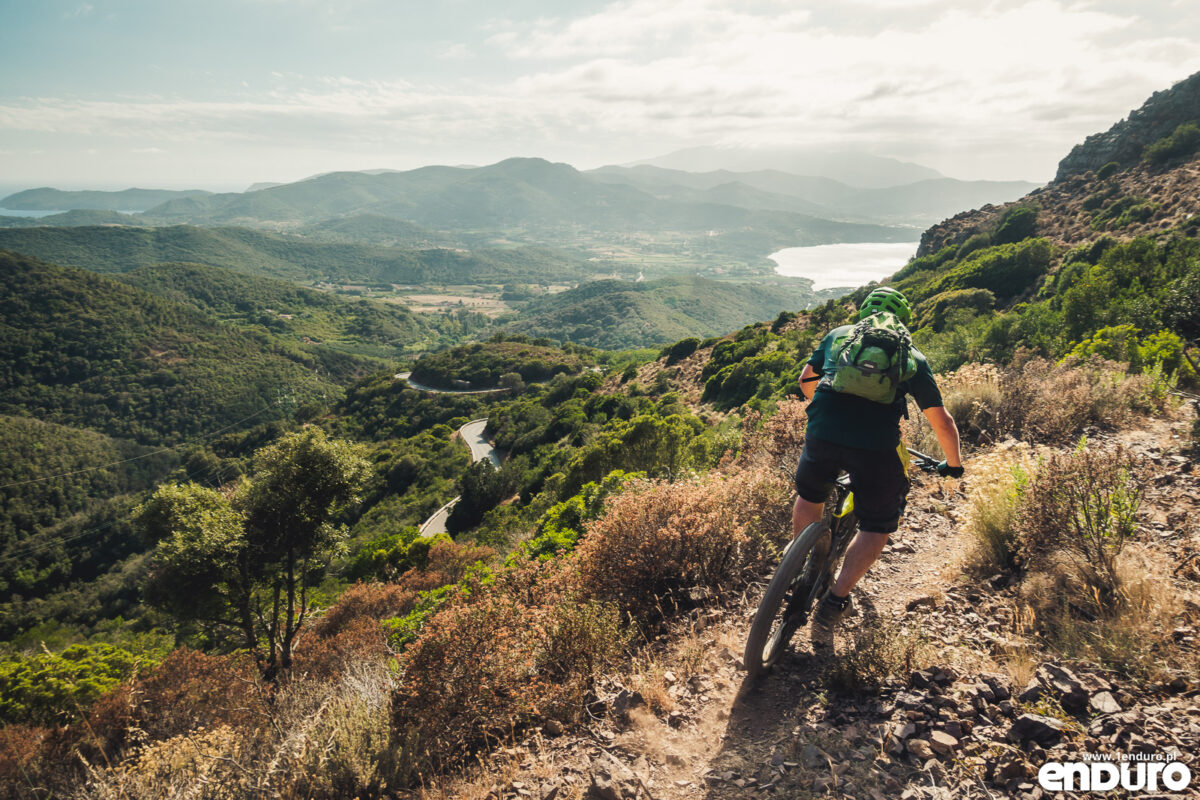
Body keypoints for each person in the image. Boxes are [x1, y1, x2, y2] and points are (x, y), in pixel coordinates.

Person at [793, 286, 963, 644]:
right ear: (905, 322)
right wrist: (954, 465)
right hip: (875, 447)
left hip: (822, 432)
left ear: (863, 312)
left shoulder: (838, 336)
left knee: (810, 495)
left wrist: (825, 409)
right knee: (877, 525)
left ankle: (800, 567)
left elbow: (805, 381)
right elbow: (942, 420)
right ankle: (833, 603)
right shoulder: (911, 355)